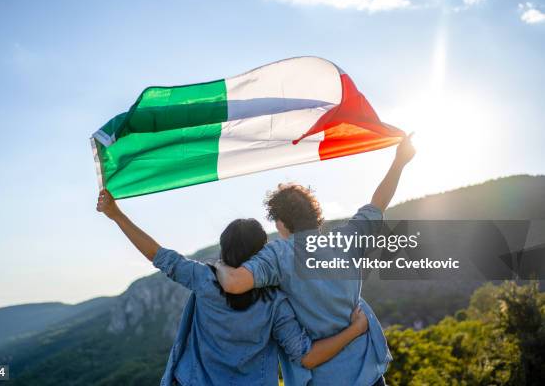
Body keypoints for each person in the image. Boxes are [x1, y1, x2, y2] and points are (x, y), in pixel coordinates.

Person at [97, 191, 370, 386]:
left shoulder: (205, 279)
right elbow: (306, 356)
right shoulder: (277, 302)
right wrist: (355, 329)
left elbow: (157, 254)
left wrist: (116, 215)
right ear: (261, 253)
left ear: (224, 247)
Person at [215, 135, 416, 386]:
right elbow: (378, 204)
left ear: (280, 222)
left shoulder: (280, 255)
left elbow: (234, 284)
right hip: (370, 378)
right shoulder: (346, 239)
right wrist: (399, 162)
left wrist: (220, 264)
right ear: (314, 214)